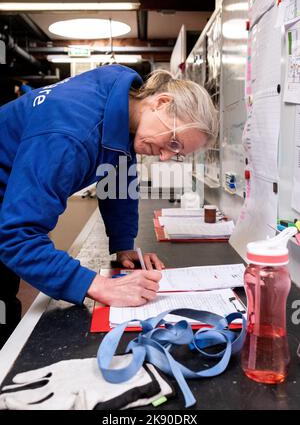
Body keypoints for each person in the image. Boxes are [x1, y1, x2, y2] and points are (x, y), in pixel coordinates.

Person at [0, 64, 218, 347]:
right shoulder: (71, 132)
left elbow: (116, 179)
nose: (165, 157)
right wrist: (98, 285)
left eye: (176, 154)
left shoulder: (121, 107)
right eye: (173, 143)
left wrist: (123, 244)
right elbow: (16, 236)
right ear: (162, 102)